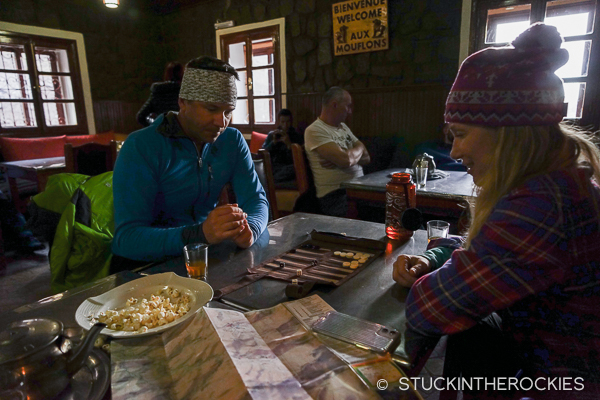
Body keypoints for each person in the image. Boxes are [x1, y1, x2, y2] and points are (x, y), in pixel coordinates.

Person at [393, 23, 600, 399]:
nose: (454, 152)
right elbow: (476, 244)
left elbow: (430, 308)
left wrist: (437, 273)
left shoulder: (540, 205)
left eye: (460, 134)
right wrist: (435, 256)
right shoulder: (560, 181)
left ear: (508, 132)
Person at [112, 56, 269, 269]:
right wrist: (200, 234)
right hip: (146, 269)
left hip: (202, 259)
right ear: (183, 102)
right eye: (211, 109)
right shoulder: (141, 146)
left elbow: (256, 199)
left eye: (228, 112)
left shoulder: (231, 141)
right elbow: (127, 240)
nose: (221, 122)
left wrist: (250, 229)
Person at [304, 87, 370, 217]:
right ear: (334, 104)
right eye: (348, 106)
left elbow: (367, 157)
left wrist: (346, 157)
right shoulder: (314, 130)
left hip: (357, 190)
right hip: (336, 196)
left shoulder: (343, 127)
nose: (350, 111)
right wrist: (358, 150)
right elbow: (346, 160)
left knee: (395, 203)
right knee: (384, 211)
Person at [261, 109, 304, 187]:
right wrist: (273, 143)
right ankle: (270, 179)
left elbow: (298, 158)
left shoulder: (296, 136)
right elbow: (263, 153)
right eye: (283, 122)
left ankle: (270, 180)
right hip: (273, 166)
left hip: (286, 167)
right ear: (279, 122)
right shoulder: (272, 135)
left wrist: (289, 145)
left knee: (294, 169)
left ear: (291, 122)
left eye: (288, 122)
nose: (285, 125)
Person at [136, 61, 184, 127]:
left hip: (162, 133)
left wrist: (154, 126)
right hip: (182, 134)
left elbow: (141, 116)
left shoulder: (158, 91)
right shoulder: (185, 93)